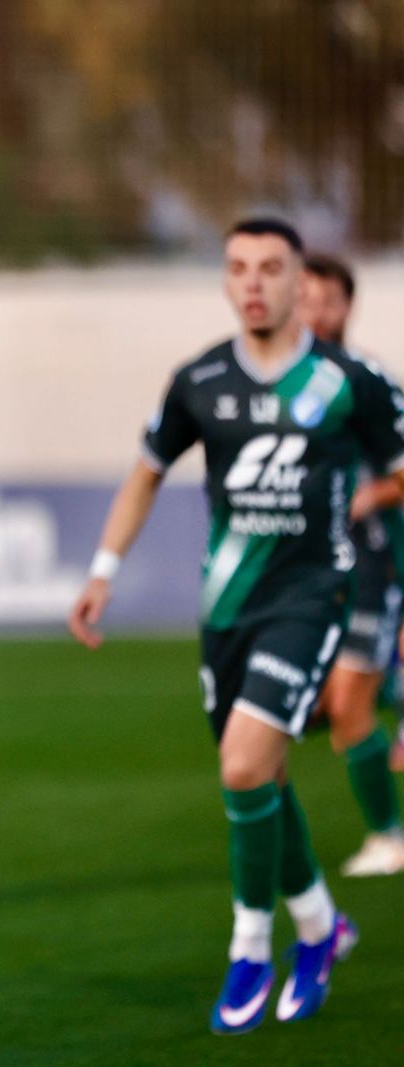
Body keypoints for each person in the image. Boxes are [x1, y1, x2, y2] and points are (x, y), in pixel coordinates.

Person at [69, 219, 404, 1033]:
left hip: (313, 596)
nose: (254, 282)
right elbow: (146, 473)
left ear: (302, 285)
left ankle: (252, 944)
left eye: (272, 268)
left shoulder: (350, 381)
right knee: (260, 776)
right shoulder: (200, 380)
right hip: (225, 608)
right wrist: (104, 570)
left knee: (246, 764)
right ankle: (322, 926)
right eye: (239, 268)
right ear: (226, 282)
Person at [298, 254, 404, 877]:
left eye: (328, 299)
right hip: (308, 571)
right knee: (317, 704)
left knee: (348, 705)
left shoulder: (368, 381)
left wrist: (369, 496)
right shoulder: (285, 385)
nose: (316, 309)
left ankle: (388, 839)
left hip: (371, 562)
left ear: (346, 307)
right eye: (306, 297)